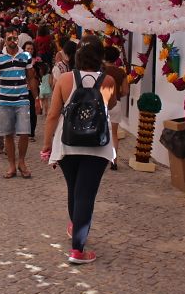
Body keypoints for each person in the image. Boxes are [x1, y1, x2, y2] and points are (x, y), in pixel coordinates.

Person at [41, 36, 116, 264]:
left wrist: (46, 145)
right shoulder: (108, 79)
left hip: (68, 143)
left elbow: (53, 115)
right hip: (97, 145)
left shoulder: (65, 79)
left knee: (74, 190)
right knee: (86, 194)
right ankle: (77, 249)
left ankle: (76, 230)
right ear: (100, 56)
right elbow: (109, 106)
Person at [0, 28, 41, 179]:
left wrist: (36, 99)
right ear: (5, 39)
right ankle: (11, 165)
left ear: (18, 40)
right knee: (8, 134)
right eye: (9, 38)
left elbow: (31, 78)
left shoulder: (26, 56)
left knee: (24, 133)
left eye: (14, 38)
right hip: (4, 101)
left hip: (22, 99)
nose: (12, 41)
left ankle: (21, 162)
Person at [103, 45, 130, 171]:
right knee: (114, 133)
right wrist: (117, 95)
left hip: (101, 104)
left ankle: (101, 158)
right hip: (116, 104)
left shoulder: (100, 70)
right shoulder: (121, 72)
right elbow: (125, 91)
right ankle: (114, 161)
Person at [23, 40, 38, 141]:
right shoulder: (19, 60)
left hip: (33, 88)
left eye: (31, 49)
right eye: (28, 48)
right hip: (22, 88)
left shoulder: (37, 60)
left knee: (33, 111)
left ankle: (31, 133)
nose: (30, 50)